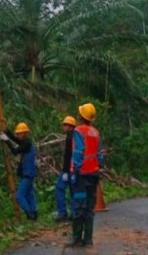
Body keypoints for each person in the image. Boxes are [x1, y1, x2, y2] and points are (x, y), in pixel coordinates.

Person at [67, 103, 103, 248]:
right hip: (93, 174)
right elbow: (99, 154)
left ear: (81, 116)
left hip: (81, 175)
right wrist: (99, 166)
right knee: (89, 207)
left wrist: (75, 170)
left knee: (79, 206)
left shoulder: (79, 131)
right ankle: (88, 240)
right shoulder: (96, 132)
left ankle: (76, 238)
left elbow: (78, 151)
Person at [0, 122, 38, 220]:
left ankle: (29, 214)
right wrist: (7, 132)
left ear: (24, 134)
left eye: (19, 133)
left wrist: (7, 140)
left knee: (19, 196)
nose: (17, 135)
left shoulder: (27, 144)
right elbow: (16, 140)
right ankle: (34, 212)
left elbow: (15, 151)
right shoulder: (26, 143)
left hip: (28, 174)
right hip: (29, 173)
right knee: (30, 194)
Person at [55, 115, 76, 222]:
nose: (63, 127)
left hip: (69, 170)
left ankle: (62, 213)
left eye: (65, 125)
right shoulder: (74, 136)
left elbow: (69, 155)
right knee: (73, 191)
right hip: (74, 170)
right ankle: (73, 213)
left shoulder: (70, 138)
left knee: (59, 188)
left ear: (70, 126)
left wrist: (66, 171)